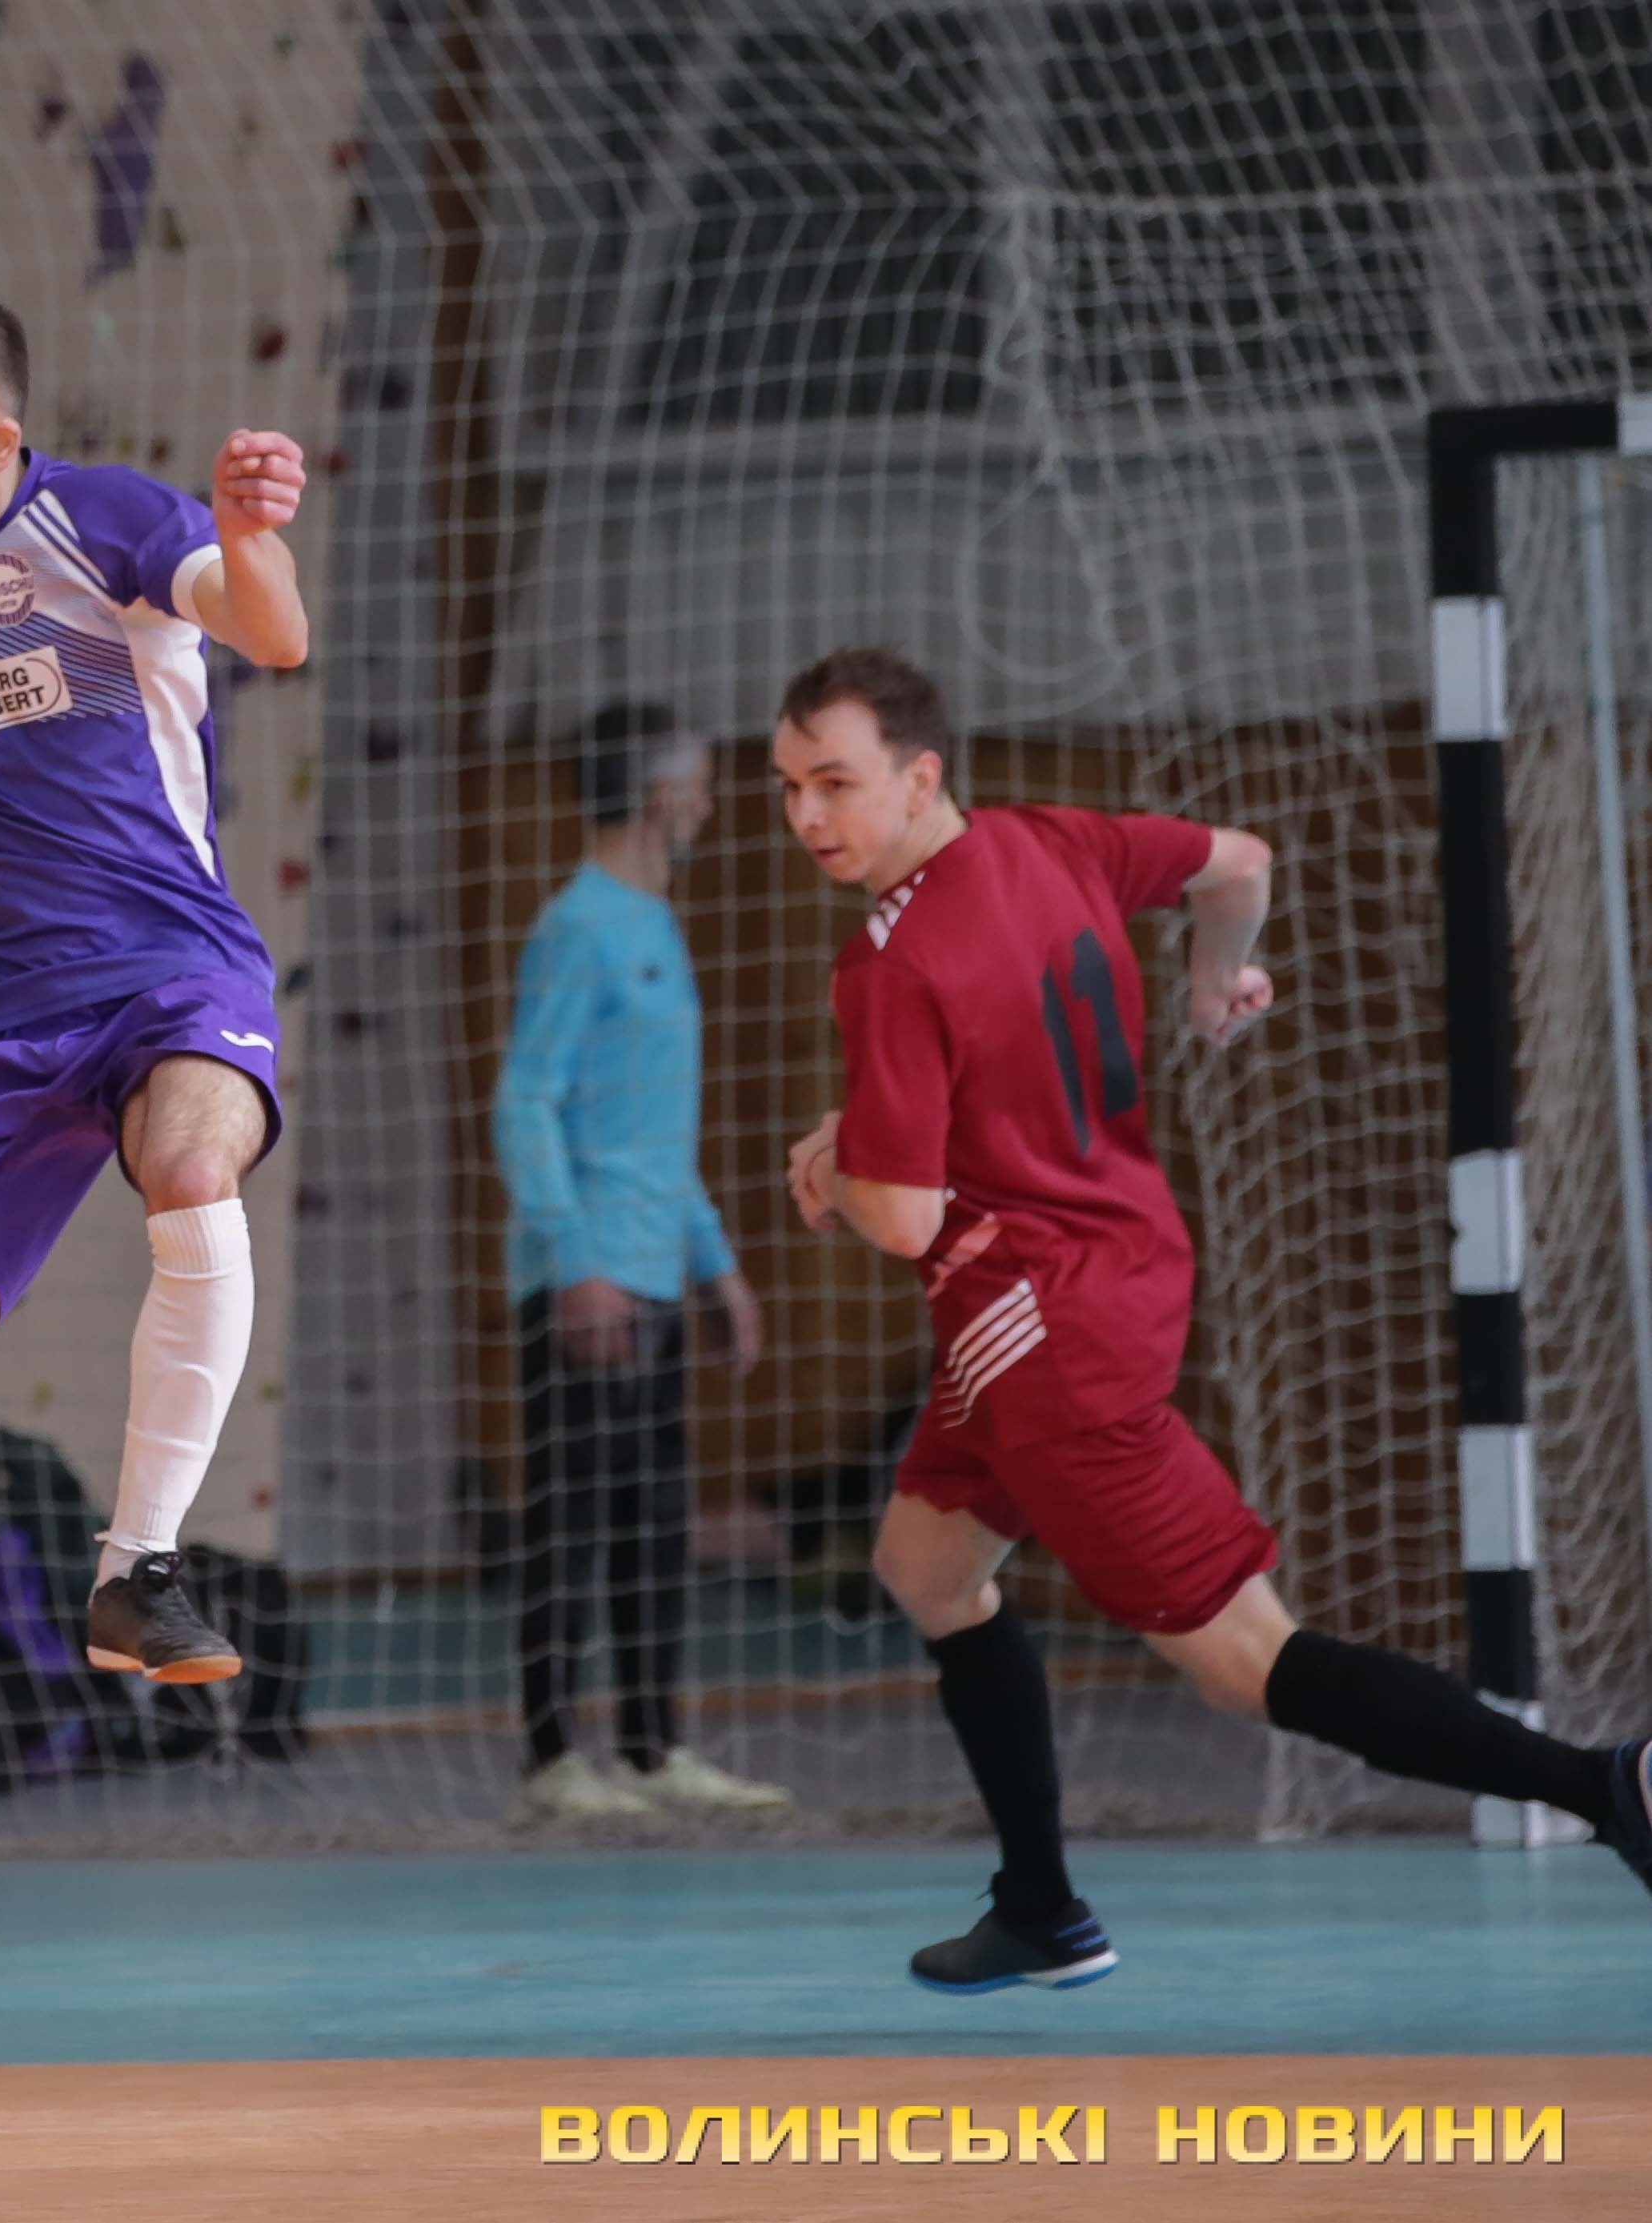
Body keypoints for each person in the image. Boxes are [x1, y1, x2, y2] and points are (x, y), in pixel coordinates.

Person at [772, 644, 1651, 1992]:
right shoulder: (1048, 840)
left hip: (1044, 1335)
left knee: (1246, 1661)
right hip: (1101, 1272)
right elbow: (1237, 863)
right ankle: (1040, 1907)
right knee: (926, 1566)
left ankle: (1604, 1785)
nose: (807, 815)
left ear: (919, 773)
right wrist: (1210, 979)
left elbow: (898, 1216)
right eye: (787, 788)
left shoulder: (888, 963)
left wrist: (831, 1162)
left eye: (835, 782)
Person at [0, 282, 310, 1916]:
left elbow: (269, 632)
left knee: (193, 1164)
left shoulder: (98, 518)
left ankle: (138, 1566)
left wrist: (250, 534)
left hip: (170, 962)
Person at [494, 702, 786, 1824]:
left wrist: (716, 1268)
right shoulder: (579, 926)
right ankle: (551, 1759)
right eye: (700, 782)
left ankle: (654, 1748)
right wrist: (577, 1262)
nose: (708, 803)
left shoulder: (655, 920)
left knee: (654, 1519)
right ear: (663, 795)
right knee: (570, 1518)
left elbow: (651, 1132)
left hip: (657, 1273)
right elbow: (525, 1102)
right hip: (588, 1281)